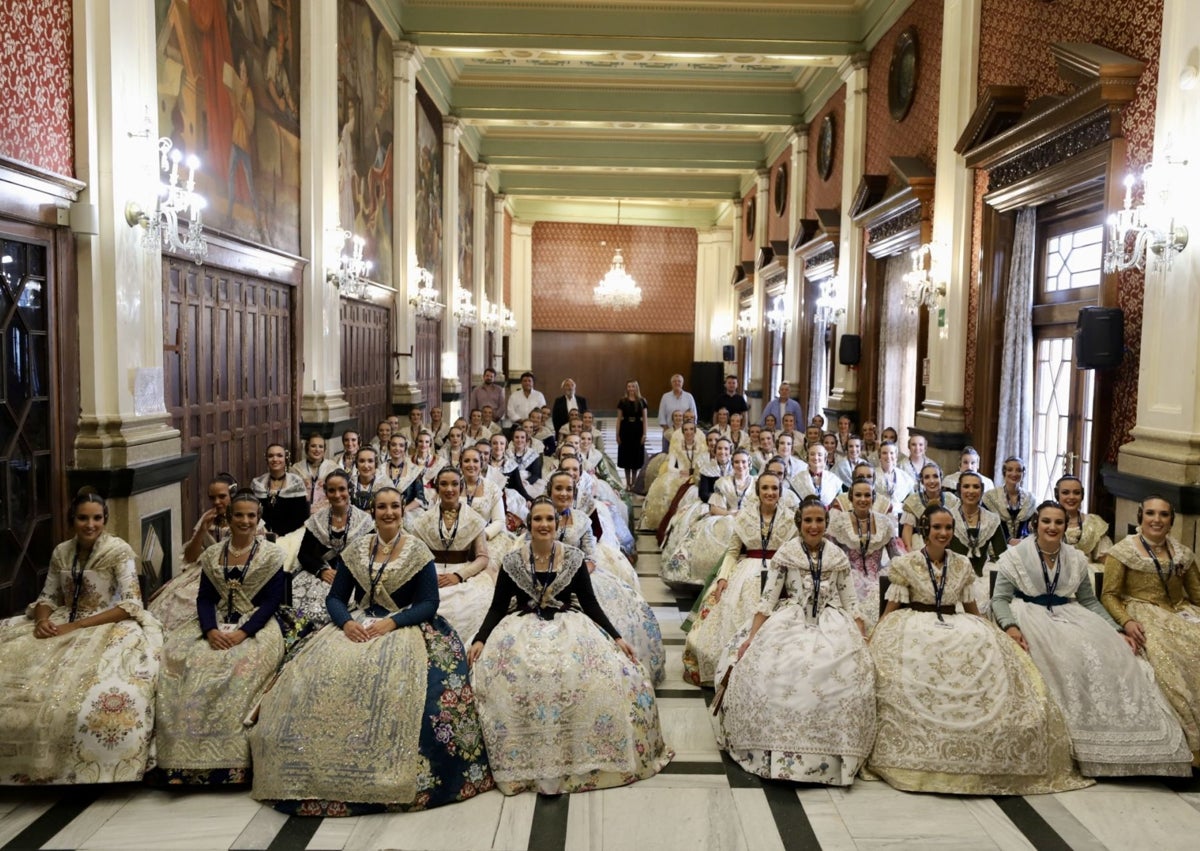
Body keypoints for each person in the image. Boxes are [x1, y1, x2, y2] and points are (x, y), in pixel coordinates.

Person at [250, 487, 493, 813]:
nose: (389, 512)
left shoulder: (418, 552)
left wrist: (392, 624)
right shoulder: (358, 548)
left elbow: (429, 604)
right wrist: (346, 623)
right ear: (374, 511)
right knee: (314, 676)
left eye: (394, 506)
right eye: (382, 507)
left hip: (406, 627)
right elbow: (335, 597)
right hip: (358, 624)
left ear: (401, 511)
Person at [867, 505, 1089, 795]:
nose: (944, 533)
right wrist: (874, 637)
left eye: (948, 528)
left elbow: (973, 611)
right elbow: (891, 608)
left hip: (958, 623)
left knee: (989, 659)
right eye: (937, 528)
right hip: (914, 624)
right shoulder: (906, 564)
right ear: (925, 529)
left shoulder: (961, 564)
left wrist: (997, 636)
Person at [468, 497, 671, 795]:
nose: (544, 525)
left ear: (557, 522)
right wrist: (481, 639)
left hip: (569, 624)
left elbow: (590, 605)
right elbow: (498, 607)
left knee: (595, 676)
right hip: (521, 626)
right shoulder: (512, 562)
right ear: (529, 524)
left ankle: (583, 756)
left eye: (549, 519)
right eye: (537, 519)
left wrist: (616, 638)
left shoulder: (574, 558)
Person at [992, 501, 1191, 778]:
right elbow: (999, 599)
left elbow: (1089, 601)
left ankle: (1123, 742)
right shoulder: (1015, 556)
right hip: (1028, 615)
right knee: (1065, 657)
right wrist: (1011, 626)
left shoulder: (1074, 558)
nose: (1052, 527)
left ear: (1065, 526)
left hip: (1069, 613)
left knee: (1110, 656)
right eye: (1046, 521)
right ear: (1035, 523)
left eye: (1058, 522)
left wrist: (1116, 630)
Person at [0, 489, 162, 784]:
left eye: (97, 518)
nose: (90, 525)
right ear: (72, 520)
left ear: (105, 519)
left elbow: (130, 603)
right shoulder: (62, 551)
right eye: (83, 518)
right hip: (63, 620)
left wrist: (77, 627)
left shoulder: (119, 550)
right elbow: (48, 595)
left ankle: (94, 766)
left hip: (109, 621)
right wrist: (43, 621)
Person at [714, 497, 875, 785]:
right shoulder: (787, 553)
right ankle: (777, 749)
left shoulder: (837, 556)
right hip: (790, 620)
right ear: (799, 523)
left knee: (845, 675)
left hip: (830, 622)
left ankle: (833, 753)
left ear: (826, 523)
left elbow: (851, 601)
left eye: (819, 521)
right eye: (808, 521)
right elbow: (767, 600)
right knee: (777, 673)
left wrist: (861, 635)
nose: (814, 526)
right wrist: (751, 639)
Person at [154, 491, 288, 784]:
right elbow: (204, 598)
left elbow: (271, 602)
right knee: (185, 663)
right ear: (229, 518)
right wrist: (210, 630)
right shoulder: (213, 555)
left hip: (256, 626)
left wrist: (243, 632)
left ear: (258, 518)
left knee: (239, 669)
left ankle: (231, 763)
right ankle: (180, 762)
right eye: (239, 515)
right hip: (213, 625)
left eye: (251, 515)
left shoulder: (271, 555)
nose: (245, 521)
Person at [1101, 495, 1200, 763]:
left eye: (1164, 515)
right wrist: (1127, 621)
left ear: (1171, 521)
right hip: (1141, 611)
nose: (1157, 520)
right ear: (1140, 517)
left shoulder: (1181, 553)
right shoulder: (1123, 552)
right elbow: (1109, 594)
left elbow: (1197, 594)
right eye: (1151, 514)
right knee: (1172, 655)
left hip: (1180, 612)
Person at [546, 469, 664, 685]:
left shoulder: (582, 520)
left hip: (580, 578)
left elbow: (591, 557)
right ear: (549, 491)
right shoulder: (541, 517)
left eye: (569, 489)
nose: (564, 494)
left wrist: (573, 577)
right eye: (558, 489)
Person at [683, 472, 798, 686]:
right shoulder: (744, 517)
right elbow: (733, 551)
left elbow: (795, 552)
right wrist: (723, 578)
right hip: (746, 572)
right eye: (765, 488)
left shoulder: (791, 519)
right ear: (758, 491)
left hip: (780, 572)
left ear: (780, 492)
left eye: (774, 488)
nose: (770, 493)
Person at [151, 473, 265, 631]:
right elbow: (190, 558)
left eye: (221, 496)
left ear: (232, 495)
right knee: (175, 597)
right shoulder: (208, 518)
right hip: (203, 571)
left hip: (236, 572)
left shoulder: (248, 520)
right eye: (212, 498)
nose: (217, 502)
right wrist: (201, 531)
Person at [408, 466, 493, 644]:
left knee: (472, 602)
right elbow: (414, 553)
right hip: (431, 572)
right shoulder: (422, 520)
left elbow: (483, 557)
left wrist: (459, 576)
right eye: (444, 484)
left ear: (461, 487)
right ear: (437, 488)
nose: (449, 489)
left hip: (462, 572)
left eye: (454, 484)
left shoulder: (474, 519)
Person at [291, 469, 374, 627]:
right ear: (326, 493)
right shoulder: (317, 520)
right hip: (323, 575)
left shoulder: (364, 521)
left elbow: (370, 554)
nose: (337, 495)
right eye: (332, 490)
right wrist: (322, 571)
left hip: (354, 576)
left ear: (349, 489)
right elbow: (304, 554)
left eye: (342, 489)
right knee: (301, 607)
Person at [661, 447, 755, 586]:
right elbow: (714, 508)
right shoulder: (723, 482)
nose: (740, 465)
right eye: (736, 462)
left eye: (743, 462)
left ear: (749, 464)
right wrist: (731, 514)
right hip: (727, 516)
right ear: (732, 463)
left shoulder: (757, 483)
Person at [827, 477, 902, 630]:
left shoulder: (885, 523)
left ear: (873, 498)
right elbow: (830, 556)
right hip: (847, 580)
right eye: (858, 495)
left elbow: (895, 555)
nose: (863, 499)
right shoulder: (839, 522)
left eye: (867, 495)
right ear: (851, 498)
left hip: (876, 581)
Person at [949, 470, 1007, 611]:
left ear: (981, 490)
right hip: (952, 580)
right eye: (966, 486)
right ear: (959, 489)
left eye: (976, 487)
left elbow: (1003, 555)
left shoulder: (991, 519)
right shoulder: (948, 516)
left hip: (981, 581)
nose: (971, 491)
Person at [252, 443, 309, 538]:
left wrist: (281, 537)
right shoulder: (258, 483)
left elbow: (300, 516)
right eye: (271, 456)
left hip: (290, 536)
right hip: (263, 535)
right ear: (266, 459)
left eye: (279, 455)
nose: (275, 459)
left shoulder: (296, 482)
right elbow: (255, 513)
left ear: (285, 459)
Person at [900, 462, 960, 551]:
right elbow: (907, 530)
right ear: (922, 481)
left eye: (935, 476)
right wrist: (909, 551)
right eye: (927, 477)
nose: (932, 481)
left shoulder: (951, 499)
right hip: (921, 545)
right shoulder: (913, 500)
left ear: (941, 478)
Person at [1056, 475, 1112, 565]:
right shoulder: (1047, 523)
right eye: (1065, 493)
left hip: (1086, 574)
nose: (1071, 497)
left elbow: (1107, 560)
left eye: (1076, 493)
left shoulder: (1094, 523)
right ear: (1057, 495)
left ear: (1082, 495)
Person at [983, 455, 1036, 544]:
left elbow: (1032, 527)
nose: (1014, 474)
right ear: (1004, 473)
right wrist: (1009, 540)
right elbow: (987, 525)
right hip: (996, 546)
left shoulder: (1030, 498)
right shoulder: (990, 497)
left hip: (1023, 545)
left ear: (1023, 474)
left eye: (1019, 470)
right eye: (1010, 470)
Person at [292, 433, 340, 510]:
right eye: (313, 446)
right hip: (302, 510)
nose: (317, 449)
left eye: (321, 446)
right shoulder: (296, 468)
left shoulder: (333, 468)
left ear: (324, 450)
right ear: (307, 448)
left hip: (326, 510)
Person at [791, 443, 843, 507]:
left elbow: (840, 504)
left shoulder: (834, 480)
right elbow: (792, 504)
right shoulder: (797, 480)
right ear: (807, 457)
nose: (816, 458)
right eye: (812, 454)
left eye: (820, 454)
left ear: (825, 458)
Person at [657, 373, 698, 451]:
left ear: (682, 383)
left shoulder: (689, 397)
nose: (677, 383)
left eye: (679, 381)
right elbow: (661, 416)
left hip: (686, 434)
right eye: (674, 381)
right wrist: (668, 433)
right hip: (669, 432)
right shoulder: (665, 397)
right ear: (671, 383)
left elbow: (694, 415)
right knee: (667, 455)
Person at [874, 441, 916, 514]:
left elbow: (913, 500)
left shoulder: (905, 477)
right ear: (879, 456)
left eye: (891, 453)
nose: (888, 456)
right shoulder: (872, 474)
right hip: (877, 514)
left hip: (899, 516)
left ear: (896, 456)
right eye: (884, 453)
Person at [348, 446, 393, 512]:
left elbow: (392, 508)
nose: (366, 465)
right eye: (362, 461)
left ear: (376, 464)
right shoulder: (349, 483)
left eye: (370, 461)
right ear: (356, 464)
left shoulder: (385, 484)